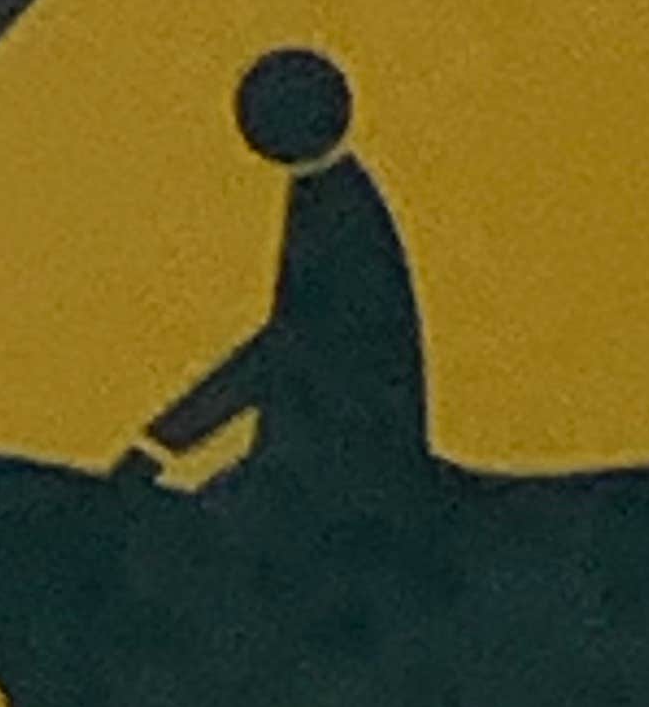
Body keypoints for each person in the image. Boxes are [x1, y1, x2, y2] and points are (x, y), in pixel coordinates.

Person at [122, 50, 435, 556]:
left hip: (337, 462)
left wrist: (166, 439)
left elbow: (287, 349)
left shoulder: (338, 210)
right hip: (321, 447)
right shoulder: (325, 194)